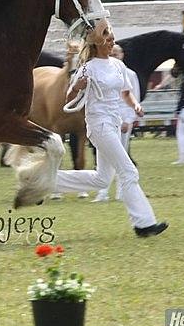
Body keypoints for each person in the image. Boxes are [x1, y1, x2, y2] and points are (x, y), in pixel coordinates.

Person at [56, 19, 168, 237]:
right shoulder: (87, 68)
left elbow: (125, 92)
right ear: (97, 42)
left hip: (114, 123)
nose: (111, 41)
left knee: (102, 179)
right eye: (107, 38)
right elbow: (69, 98)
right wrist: (77, 87)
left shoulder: (118, 65)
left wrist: (135, 105)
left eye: (112, 37)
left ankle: (48, 181)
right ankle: (144, 223)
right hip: (99, 125)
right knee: (128, 170)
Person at [92, 43, 139, 202]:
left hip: (123, 120)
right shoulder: (101, 71)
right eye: (112, 53)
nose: (114, 55)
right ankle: (103, 192)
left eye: (117, 53)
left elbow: (132, 97)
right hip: (106, 119)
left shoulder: (129, 73)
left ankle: (121, 192)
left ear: (122, 55)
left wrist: (128, 119)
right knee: (106, 156)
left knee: (122, 157)